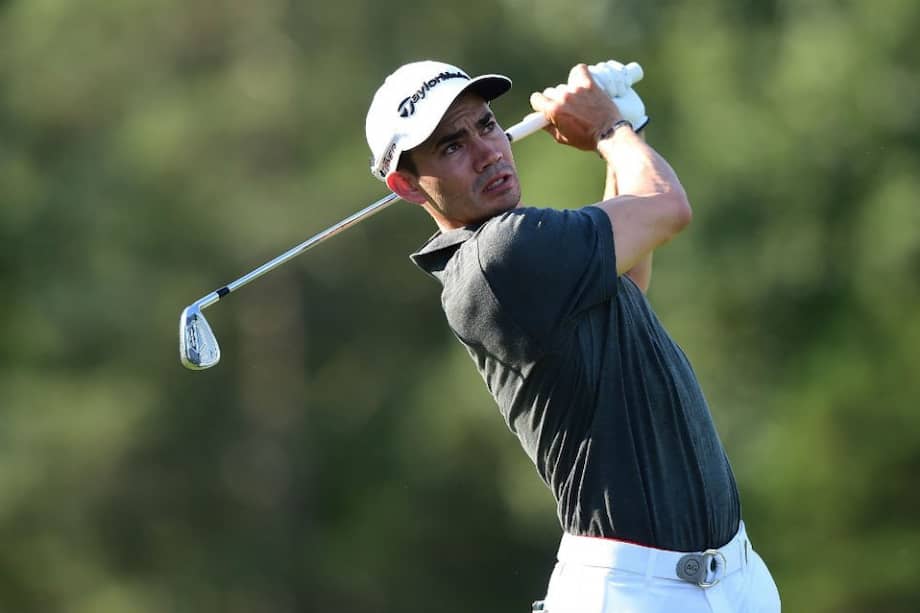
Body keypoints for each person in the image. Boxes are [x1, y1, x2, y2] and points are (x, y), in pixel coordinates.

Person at [365, 59, 781, 613]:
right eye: (450, 147)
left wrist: (628, 130)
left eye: (486, 125)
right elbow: (667, 208)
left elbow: (628, 278)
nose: (487, 152)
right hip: (639, 594)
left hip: (734, 577)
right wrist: (610, 129)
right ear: (406, 186)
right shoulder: (500, 255)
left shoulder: (518, 254)